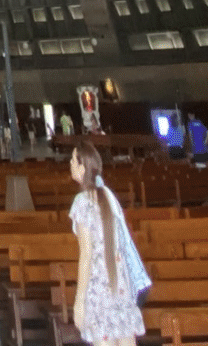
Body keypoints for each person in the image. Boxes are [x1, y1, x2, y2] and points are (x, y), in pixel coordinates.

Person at [69, 142, 145, 346]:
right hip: (120, 284)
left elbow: (87, 254)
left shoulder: (81, 202)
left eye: (73, 160)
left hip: (98, 288)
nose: (69, 164)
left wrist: (79, 301)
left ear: (82, 168)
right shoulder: (109, 196)